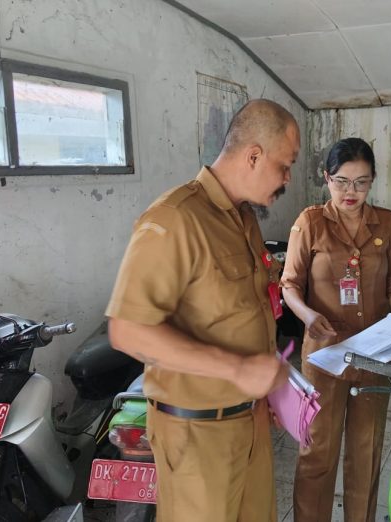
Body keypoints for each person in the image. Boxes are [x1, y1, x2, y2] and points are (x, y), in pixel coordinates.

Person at [106, 99, 300, 522]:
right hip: (196, 435)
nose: (288, 178)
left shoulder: (243, 218)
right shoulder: (175, 219)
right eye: (285, 165)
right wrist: (237, 369)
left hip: (249, 423)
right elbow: (127, 331)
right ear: (253, 155)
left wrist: (264, 390)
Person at [280, 137, 391, 522]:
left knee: (366, 451)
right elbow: (290, 284)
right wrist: (306, 315)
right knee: (317, 452)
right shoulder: (310, 222)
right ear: (327, 178)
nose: (350, 192)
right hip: (324, 355)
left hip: (376, 356)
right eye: (341, 181)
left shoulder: (386, 223)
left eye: (361, 182)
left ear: (373, 180)